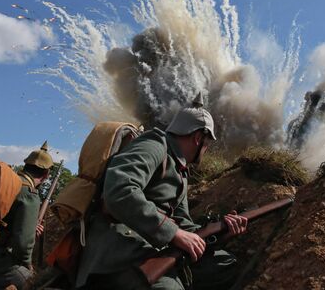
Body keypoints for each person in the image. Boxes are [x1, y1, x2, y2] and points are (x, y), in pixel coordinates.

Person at [76, 99, 248, 290]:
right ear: (198, 138)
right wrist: (173, 233)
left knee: (224, 264)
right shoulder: (155, 145)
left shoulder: (180, 170)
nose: (206, 149)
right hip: (119, 245)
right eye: (207, 143)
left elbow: (182, 222)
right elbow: (119, 189)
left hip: (151, 243)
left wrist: (221, 230)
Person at [0, 142, 53, 289]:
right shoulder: (29, 194)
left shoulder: (8, 185)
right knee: (38, 284)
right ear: (46, 174)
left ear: (25, 166)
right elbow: (23, 245)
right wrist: (27, 265)